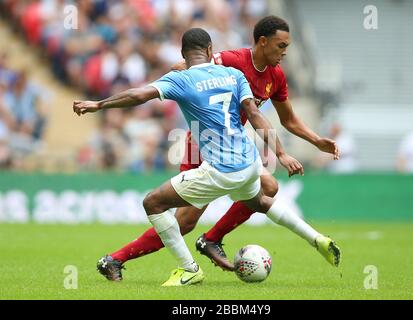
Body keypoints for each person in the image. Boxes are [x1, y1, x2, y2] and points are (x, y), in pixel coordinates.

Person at [74, 28, 340, 286]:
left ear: (183, 52)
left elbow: (138, 95)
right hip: (234, 155)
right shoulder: (234, 69)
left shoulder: (269, 76)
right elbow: (257, 115)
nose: (284, 51)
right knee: (200, 217)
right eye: (281, 45)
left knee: (155, 204)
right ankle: (314, 239)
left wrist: (99, 104)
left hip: (222, 161)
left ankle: (191, 265)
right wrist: (279, 152)